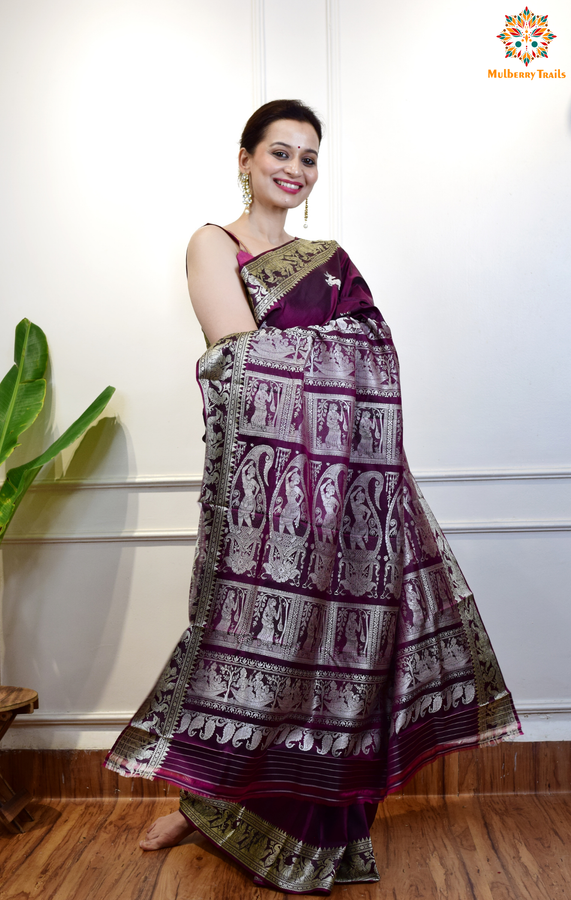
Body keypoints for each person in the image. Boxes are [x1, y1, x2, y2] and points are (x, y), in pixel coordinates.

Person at [105, 100, 521, 894]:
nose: (294, 171)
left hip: (350, 491)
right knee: (251, 643)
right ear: (245, 158)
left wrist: (333, 344)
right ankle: (204, 806)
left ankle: (314, 828)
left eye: (309, 159)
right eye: (280, 154)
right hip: (264, 491)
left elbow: (376, 345)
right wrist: (335, 344)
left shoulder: (328, 257)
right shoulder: (211, 245)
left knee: (342, 651)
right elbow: (238, 354)